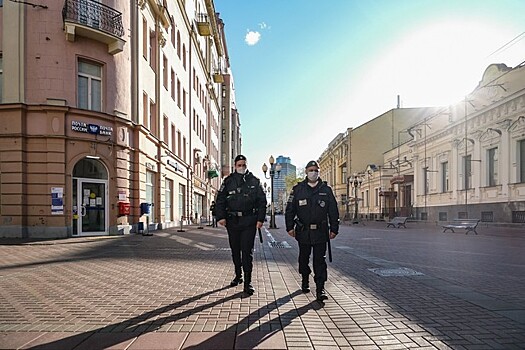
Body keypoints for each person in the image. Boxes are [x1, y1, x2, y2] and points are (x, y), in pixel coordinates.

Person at [285, 160, 339, 302]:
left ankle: (320, 288)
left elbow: (333, 210)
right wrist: (289, 227)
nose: (313, 172)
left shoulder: (326, 190)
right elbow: (290, 210)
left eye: (316, 170)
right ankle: (304, 279)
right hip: (303, 231)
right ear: (306, 172)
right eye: (311, 170)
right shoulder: (298, 189)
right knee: (304, 258)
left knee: (319, 260)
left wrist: (334, 228)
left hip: (321, 232)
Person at [215, 155, 267, 295]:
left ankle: (248, 282)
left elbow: (262, 201)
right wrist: (220, 217)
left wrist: (260, 219)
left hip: (249, 221)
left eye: (244, 165)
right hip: (232, 222)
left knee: (247, 251)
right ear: (235, 165)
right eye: (239, 165)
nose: (242, 167)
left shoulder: (254, 181)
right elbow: (220, 200)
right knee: (235, 250)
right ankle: (238, 276)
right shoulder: (228, 181)